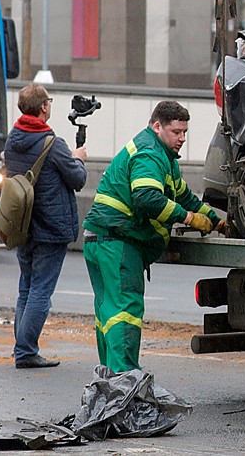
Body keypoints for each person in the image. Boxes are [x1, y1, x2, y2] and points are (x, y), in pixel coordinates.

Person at [82, 100, 221, 372]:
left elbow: (184, 196)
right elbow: (147, 199)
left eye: (184, 132)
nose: (182, 138)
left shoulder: (163, 158)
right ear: (157, 126)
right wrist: (191, 219)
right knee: (125, 312)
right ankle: (125, 381)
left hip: (100, 239)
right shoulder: (150, 154)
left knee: (108, 313)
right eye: (176, 132)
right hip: (118, 241)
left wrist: (216, 221)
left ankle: (110, 379)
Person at [7, 84, 87, 369]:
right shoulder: (52, 144)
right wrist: (79, 159)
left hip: (23, 224)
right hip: (50, 228)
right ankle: (26, 352)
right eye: (49, 102)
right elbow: (78, 180)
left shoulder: (13, 139)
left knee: (26, 289)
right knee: (41, 291)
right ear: (43, 108)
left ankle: (22, 348)